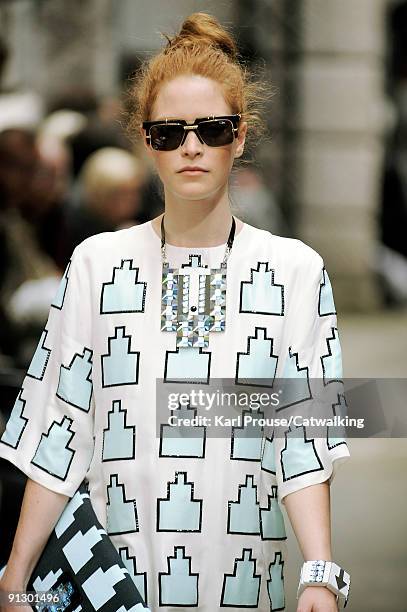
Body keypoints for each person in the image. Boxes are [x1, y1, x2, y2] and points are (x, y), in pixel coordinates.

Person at [0, 13, 351, 612]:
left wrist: (319, 571)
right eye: (169, 133)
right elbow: (58, 429)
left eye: (211, 129)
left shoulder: (296, 272)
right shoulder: (97, 265)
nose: (191, 146)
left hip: (243, 584)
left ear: (240, 136)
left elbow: (304, 433)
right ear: (145, 142)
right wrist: (15, 577)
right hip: (112, 583)